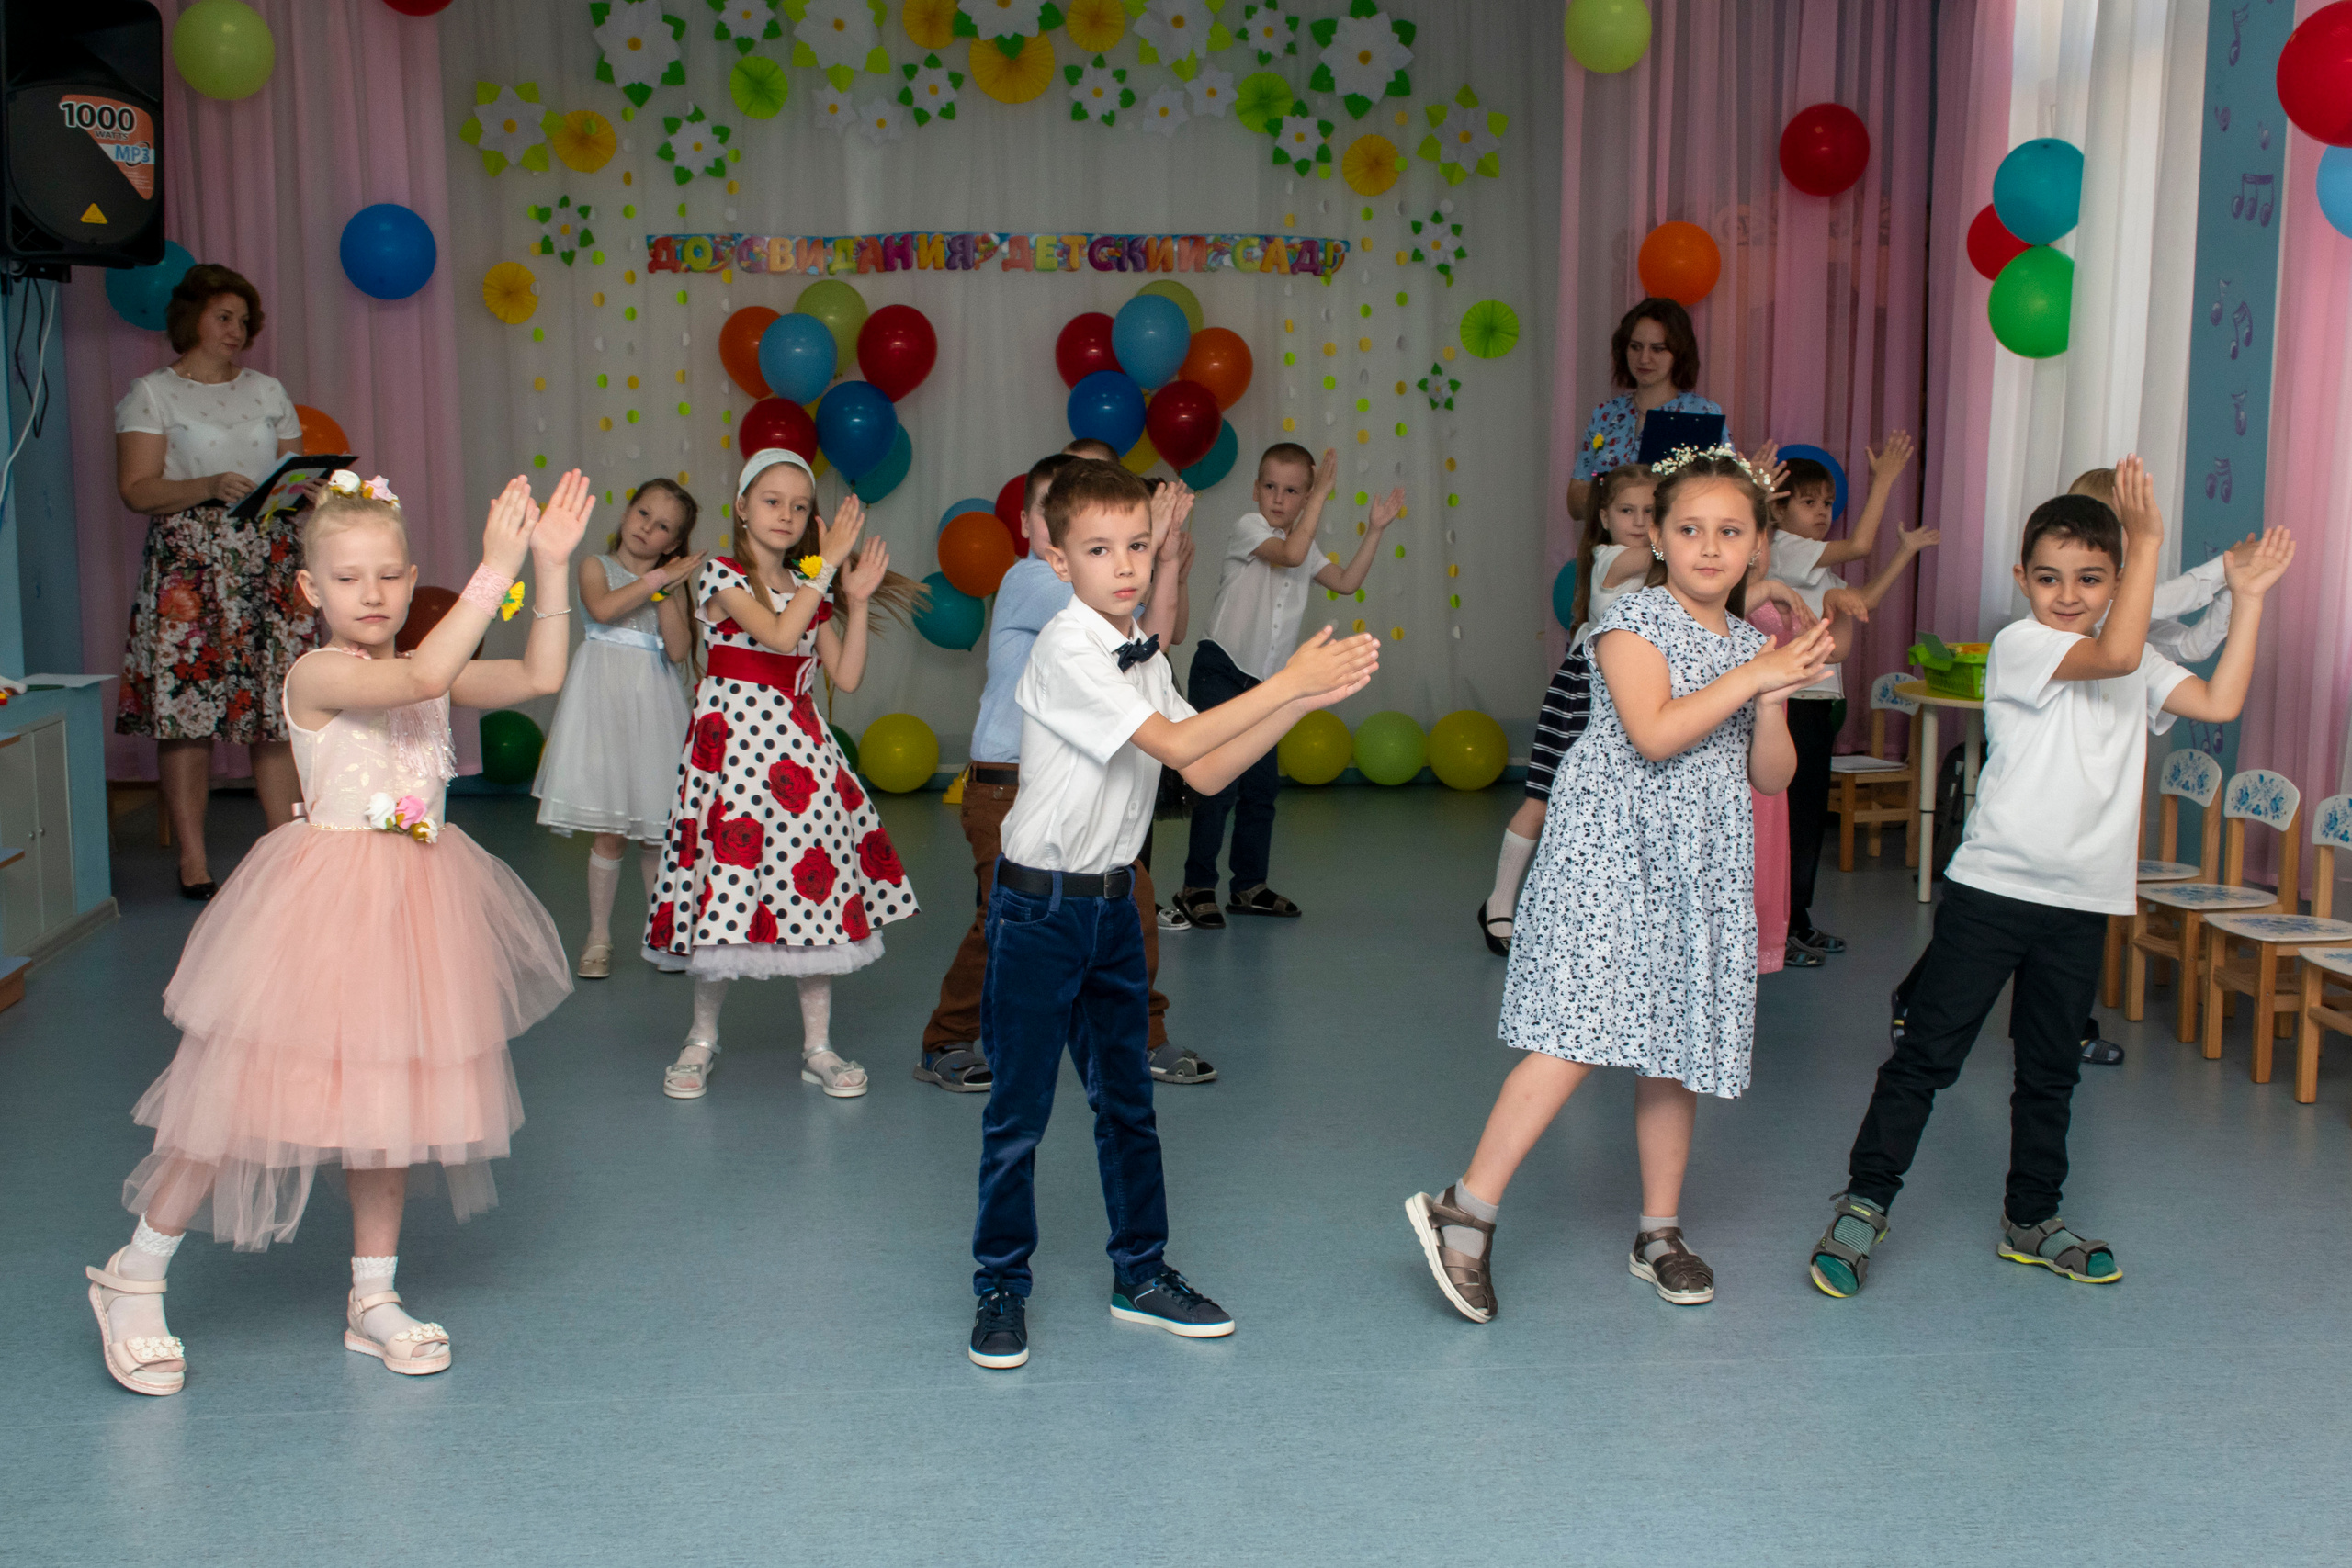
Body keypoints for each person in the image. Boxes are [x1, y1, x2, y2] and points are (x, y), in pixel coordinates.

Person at [85, 468, 590, 1393]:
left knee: (387, 1111)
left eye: (390, 575)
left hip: (415, 910)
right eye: (349, 578)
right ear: (311, 589)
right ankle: (133, 1274)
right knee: (238, 1096)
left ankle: (372, 1293)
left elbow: (540, 675)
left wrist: (549, 566)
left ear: (411, 578)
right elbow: (423, 675)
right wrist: (494, 568)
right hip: (321, 914)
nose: (373, 594)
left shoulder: (426, 663)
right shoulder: (317, 673)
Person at [1806, 459, 2294, 1299]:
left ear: (2116, 582)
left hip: (2081, 901)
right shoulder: (2023, 644)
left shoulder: (2137, 662)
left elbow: (2218, 702)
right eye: (2049, 577)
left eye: (2091, 578)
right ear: (2021, 579)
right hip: (1994, 892)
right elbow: (2114, 650)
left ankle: (2031, 1219)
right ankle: (1864, 1204)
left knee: (2049, 1070)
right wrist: (2146, 541)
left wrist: (2246, 598)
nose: (2068, 594)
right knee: (1927, 1058)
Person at [966, 459, 1379, 1370]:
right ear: (1057, 560)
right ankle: (1000, 1283)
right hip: (1039, 911)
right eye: (1099, 549)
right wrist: (1287, 680)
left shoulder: (1138, 652)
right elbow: (1182, 739)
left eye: (1139, 546)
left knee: (1128, 1107)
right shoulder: (1067, 647)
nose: (1124, 565)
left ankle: (1141, 1273)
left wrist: (1303, 697)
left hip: (1114, 909)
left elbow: (1205, 767)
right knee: (1018, 1114)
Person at [1405, 448, 1832, 1323]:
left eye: (1730, 531)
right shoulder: (1630, 619)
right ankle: (1465, 1209)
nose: (1709, 546)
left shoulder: (1753, 647)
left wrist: (1774, 696)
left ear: (1757, 546)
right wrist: (1754, 677)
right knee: (1579, 1031)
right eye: (1689, 528)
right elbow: (1655, 732)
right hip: (1612, 853)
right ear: (1658, 539)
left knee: (1675, 1047)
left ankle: (1659, 1231)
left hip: (1699, 862)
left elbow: (1773, 775)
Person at [917, 455, 1211, 1092]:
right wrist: (1152, 547)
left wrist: (1162, 559)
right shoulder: (1029, 579)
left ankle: (1142, 1037)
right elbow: (1121, 607)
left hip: (1090, 781)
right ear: (1033, 526)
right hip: (1005, 784)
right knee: (1005, 921)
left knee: (1131, 907)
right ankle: (946, 1038)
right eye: (1058, 509)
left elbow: (1154, 640)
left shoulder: (1105, 593)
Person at [645, 450, 920, 1103]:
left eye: (800, 505)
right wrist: (824, 573)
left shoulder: (808, 585)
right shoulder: (722, 573)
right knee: (725, 885)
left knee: (809, 884)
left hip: (801, 757)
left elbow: (844, 676)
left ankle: (817, 1046)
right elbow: (774, 634)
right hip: (733, 757)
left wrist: (852, 599)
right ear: (742, 506)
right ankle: (701, 1038)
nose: (787, 514)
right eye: (772, 500)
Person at [114, 264, 314, 898]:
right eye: (223, 316)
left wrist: (304, 491)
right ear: (191, 319)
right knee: (187, 713)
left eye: (244, 320)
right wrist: (207, 485)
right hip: (189, 566)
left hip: (268, 558)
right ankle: (194, 861)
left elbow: (291, 474)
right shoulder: (152, 393)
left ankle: (288, 850)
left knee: (275, 709)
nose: (236, 330)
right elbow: (136, 489)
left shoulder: (268, 389)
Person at [1172, 444, 1403, 930]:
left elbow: (1346, 582)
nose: (1280, 498)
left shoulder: (1306, 545)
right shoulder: (1249, 528)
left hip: (1269, 684)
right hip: (1221, 669)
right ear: (1255, 489)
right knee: (1217, 785)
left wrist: (1376, 530)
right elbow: (1291, 553)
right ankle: (1196, 887)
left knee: (1261, 790)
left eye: (1294, 491)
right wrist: (1320, 495)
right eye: (1271, 487)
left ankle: (1249, 886)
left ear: (1305, 498)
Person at [533, 478, 703, 977]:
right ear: (627, 512)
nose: (647, 528)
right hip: (603, 707)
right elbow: (603, 609)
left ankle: (661, 933)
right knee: (610, 833)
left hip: (652, 709)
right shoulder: (595, 566)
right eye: (643, 513)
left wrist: (668, 589)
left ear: (673, 543)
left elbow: (678, 650)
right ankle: (598, 937)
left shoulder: (668, 585)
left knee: (655, 832)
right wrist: (658, 580)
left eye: (663, 527)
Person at [1763, 433, 1916, 959]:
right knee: (1792, 820)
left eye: (1827, 503)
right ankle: (1779, 926)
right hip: (1793, 705)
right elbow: (1861, 547)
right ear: (1777, 510)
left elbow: (1862, 598)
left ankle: (1796, 919)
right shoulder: (1786, 550)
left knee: (1807, 820)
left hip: (1817, 703)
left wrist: (1906, 553)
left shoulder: (1814, 566)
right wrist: (1885, 481)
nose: (1823, 512)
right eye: (1809, 502)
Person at [1566, 299, 1725, 522]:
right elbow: (1575, 503)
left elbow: (1723, 495)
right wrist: (1620, 495)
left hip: (1674, 540)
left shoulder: (1703, 414)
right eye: (1635, 347)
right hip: (1610, 542)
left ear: (1678, 353)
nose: (1644, 358)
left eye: (1657, 349)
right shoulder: (1605, 414)